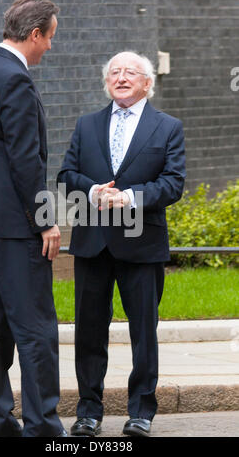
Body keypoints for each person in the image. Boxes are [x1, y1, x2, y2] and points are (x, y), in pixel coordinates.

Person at [57, 51, 186, 437]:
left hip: (142, 245)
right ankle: (88, 413)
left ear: (148, 82)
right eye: (115, 72)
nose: (122, 77)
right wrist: (94, 190)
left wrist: (129, 198)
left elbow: (173, 183)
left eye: (131, 72)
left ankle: (141, 412)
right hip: (92, 243)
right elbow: (66, 174)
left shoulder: (167, 127)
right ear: (106, 82)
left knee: (143, 332)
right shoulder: (87, 124)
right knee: (89, 333)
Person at [0, 0, 67, 437]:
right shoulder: (16, 80)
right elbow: (26, 161)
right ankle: (42, 428)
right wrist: (45, 218)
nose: (50, 48)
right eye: (50, 38)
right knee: (37, 327)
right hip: (16, 223)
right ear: (35, 33)